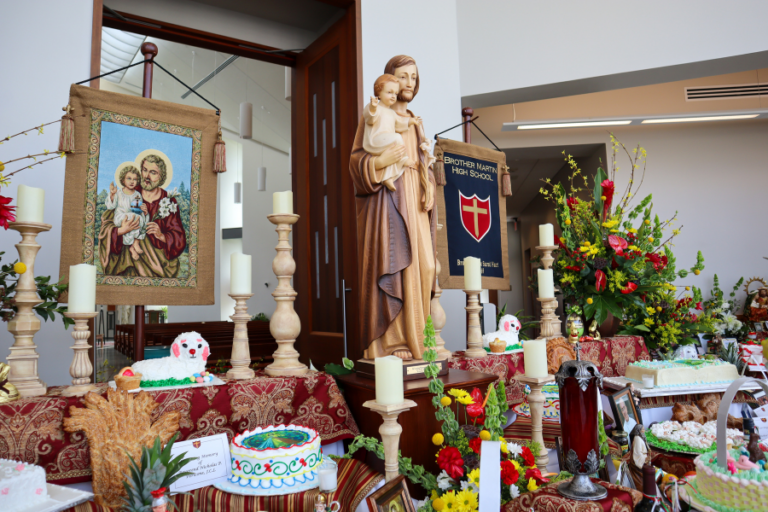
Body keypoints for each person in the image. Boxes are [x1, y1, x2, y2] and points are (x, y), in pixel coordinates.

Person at [349, 55, 437, 360]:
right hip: (390, 201)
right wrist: (381, 162)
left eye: (413, 76)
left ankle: (422, 338)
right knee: (397, 266)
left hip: (416, 199)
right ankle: (393, 342)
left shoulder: (415, 121)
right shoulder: (376, 115)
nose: (409, 83)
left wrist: (429, 186)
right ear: (389, 80)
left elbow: (424, 162)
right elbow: (356, 163)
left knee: (425, 266)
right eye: (402, 76)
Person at [98, 153, 186, 278]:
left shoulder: (168, 201)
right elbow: (106, 225)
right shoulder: (129, 191)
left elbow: (179, 237)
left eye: (153, 172)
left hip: (156, 259)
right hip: (125, 259)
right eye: (144, 170)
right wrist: (121, 230)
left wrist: (161, 236)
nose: (146, 176)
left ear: (161, 177)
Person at [363, 74, 419, 192]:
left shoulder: (391, 113)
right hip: (375, 140)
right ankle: (404, 159)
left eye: (395, 93)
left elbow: (399, 123)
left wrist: (410, 121)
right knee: (397, 138)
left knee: (394, 154)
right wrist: (373, 108)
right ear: (379, 92)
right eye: (389, 92)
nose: (393, 96)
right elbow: (369, 118)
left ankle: (388, 177)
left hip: (386, 141)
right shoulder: (375, 108)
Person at [106, 165, 148, 261]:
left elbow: (138, 208)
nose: (132, 181)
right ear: (123, 180)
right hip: (121, 217)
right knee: (133, 218)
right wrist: (112, 194)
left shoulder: (137, 194)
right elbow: (110, 206)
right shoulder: (118, 193)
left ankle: (135, 244)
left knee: (142, 218)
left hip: (133, 216)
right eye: (129, 178)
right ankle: (131, 245)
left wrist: (143, 210)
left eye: (135, 179)